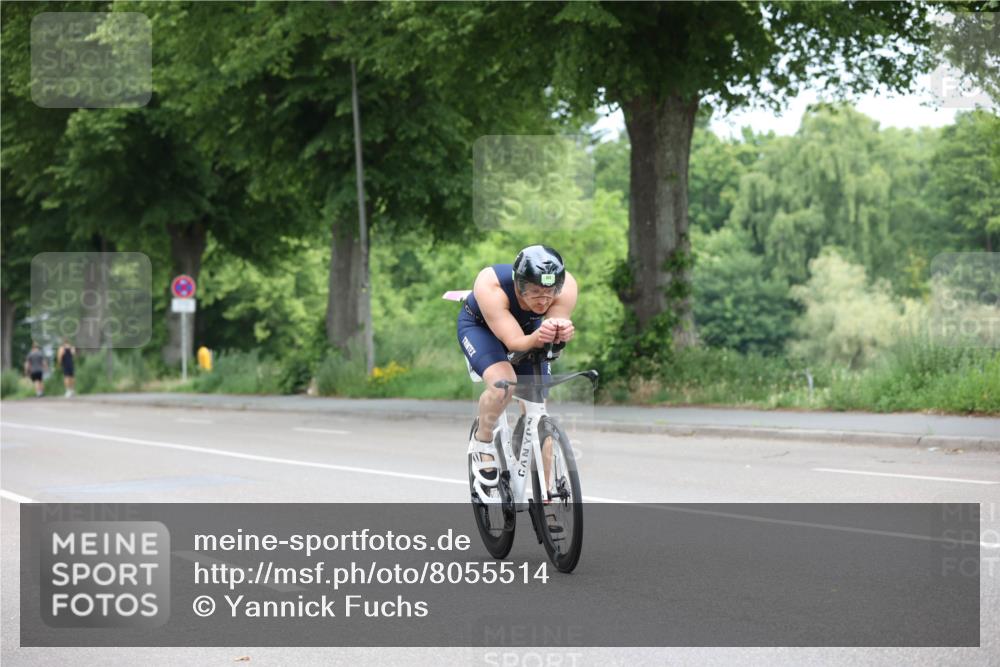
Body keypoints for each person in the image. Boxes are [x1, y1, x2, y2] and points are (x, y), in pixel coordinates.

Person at [456, 245, 577, 480]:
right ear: (519, 285)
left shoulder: (567, 287)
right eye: (534, 292)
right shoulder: (491, 285)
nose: (543, 300)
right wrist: (541, 335)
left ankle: (548, 497)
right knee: (505, 383)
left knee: (537, 404)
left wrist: (559, 332)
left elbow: (551, 328)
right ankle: (483, 440)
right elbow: (515, 342)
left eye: (549, 292)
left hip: (527, 329)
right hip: (482, 328)